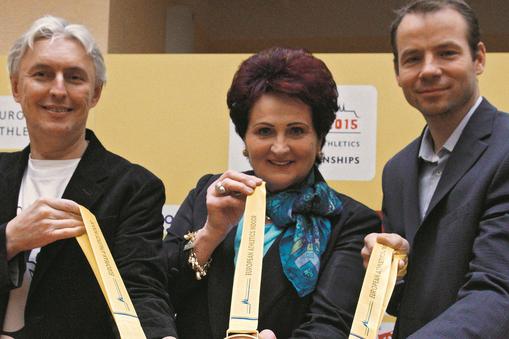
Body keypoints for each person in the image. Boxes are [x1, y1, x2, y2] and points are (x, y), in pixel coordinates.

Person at [164, 47, 381, 339]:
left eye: (296, 131)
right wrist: (210, 233)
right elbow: (160, 289)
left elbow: (330, 325)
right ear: (245, 139)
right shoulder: (211, 193)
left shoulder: (350, 221)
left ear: (320, 140)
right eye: (265, 131)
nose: (280, 147)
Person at [0, 16, 176, 338]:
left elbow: (140, 286)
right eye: (42, 74)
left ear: (94, 94)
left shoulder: (133, 188)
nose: (58, 89)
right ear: (16, 87)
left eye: (74, 77)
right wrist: (10, 240)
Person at [361, 0, 509, 337]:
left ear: (479, 58)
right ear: (398, 71)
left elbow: (498, 292)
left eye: (446, 53)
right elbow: (405, 303)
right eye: (413, 58)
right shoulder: (397, 170)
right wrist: (388, 273)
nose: (429, 70)